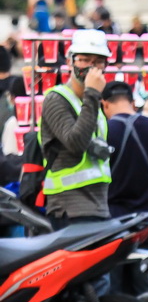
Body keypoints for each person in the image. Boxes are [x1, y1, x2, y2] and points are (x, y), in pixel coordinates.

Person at [40, 30, 112, 230]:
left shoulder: (94, 104)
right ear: (71, 61)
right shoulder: (56, 99)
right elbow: (76, 143)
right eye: (84, 60)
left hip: (98, 208)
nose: (91, 67)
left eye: (98, 61)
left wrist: (92, 97)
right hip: (69, 210)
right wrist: (92, 93)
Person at [103, 81, 148, 248]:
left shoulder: (103, 130)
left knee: (118, 272)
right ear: (132, 103)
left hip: (115, 225)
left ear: (104, 104)